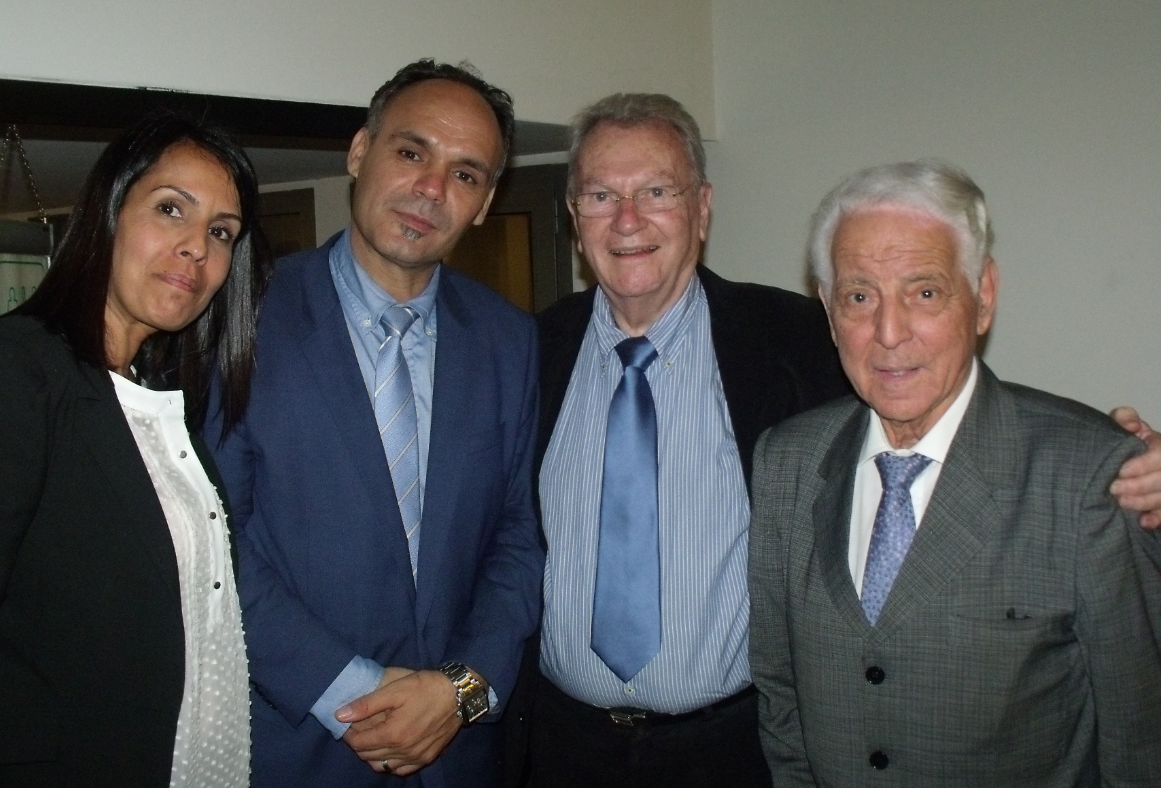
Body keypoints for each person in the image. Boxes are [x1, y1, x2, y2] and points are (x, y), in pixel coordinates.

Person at [514, 94, 1161, 788]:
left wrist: (1128, 468)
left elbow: (962, 413)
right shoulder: (521, 352)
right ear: (573, 219)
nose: (629, 219)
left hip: (732, 751)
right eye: (601, 195)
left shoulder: (793, 341)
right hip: (561, 744)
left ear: (701, 208)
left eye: (656, 191)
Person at [748, 160, 1161, 786]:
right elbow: (781, 694)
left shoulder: (1088, 477)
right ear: (830, 313)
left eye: (924, 292)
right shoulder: (787, 461)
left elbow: (1140, 737)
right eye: (860, 297)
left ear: (983, 297)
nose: (889, 333)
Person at [205, 59, 543, 788]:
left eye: (466, 174)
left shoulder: (509, 340)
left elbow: (520, 537)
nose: (430, 190)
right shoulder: (237, 318)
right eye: (411, 152)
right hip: (297, 747)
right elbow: (215, 542)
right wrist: (351, 693)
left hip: (459, 755)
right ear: (359, 152)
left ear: (484, 203)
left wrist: (462, 689)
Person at [0, 112, 272, 787]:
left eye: (220, 233)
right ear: (108, 213)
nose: (196, 249)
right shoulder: (20, 369)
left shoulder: (158, 399)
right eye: (170, 209)